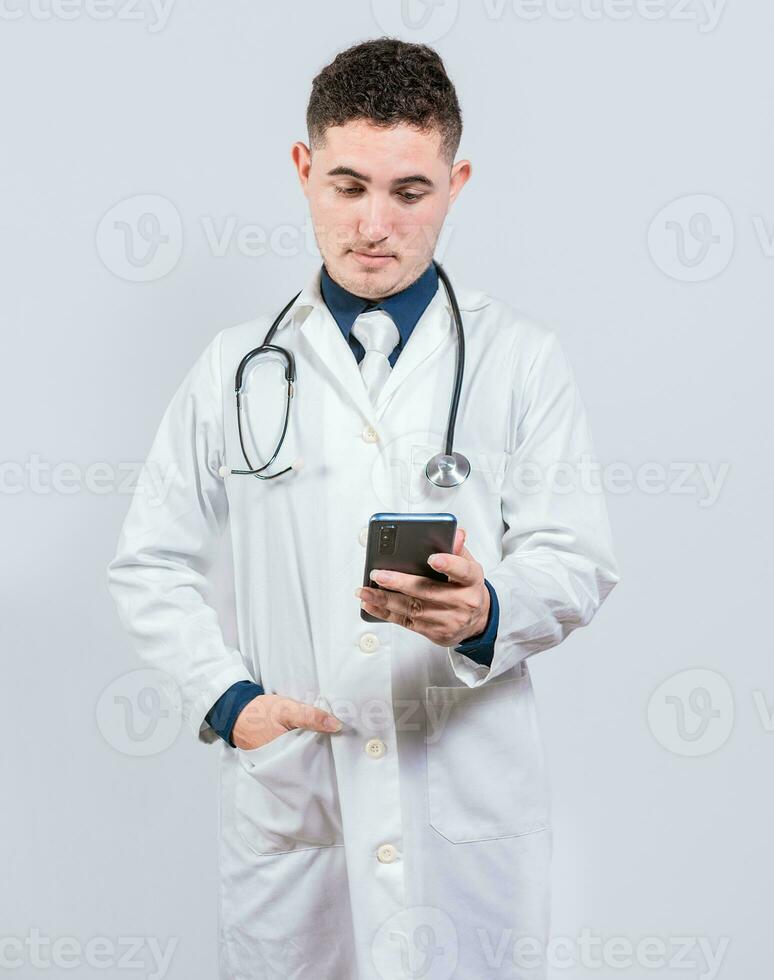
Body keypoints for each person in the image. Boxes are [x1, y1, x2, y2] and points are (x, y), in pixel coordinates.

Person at [107, 37, 620, 980]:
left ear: (456, 183)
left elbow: (578, 556)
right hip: (297, 794)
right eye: (347, 186)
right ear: (304, 172)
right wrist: (233, 704)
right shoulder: (235, 368)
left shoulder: (522, 359)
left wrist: (487, 613)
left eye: (409, 192)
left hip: (462, 801)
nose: (375, 224)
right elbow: (149, 562)